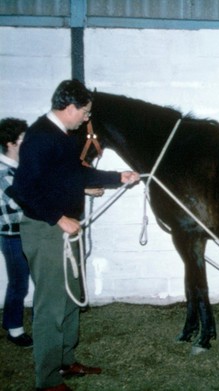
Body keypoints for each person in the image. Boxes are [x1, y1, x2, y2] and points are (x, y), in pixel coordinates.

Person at [13, 79, 141, 391]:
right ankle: (47, 380)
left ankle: (65, 361)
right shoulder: (40, 137)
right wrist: (58, 218)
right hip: (47, 231)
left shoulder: (64, 136)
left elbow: (73, 174)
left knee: (70, 300)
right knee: (51, 306)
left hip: (65, 227)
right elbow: (23, 190)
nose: (86, 118)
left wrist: (116, 177)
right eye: (84, 112)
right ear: (69, 108)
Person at [0, 118, 33, 348]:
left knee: (24, 280)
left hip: (24, 233)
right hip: (12, 236)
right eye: (23, 140)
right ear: (10, 143)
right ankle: (14, 329)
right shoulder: (3, 172)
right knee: (19, 283)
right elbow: (18, 201)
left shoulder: (19, 168)